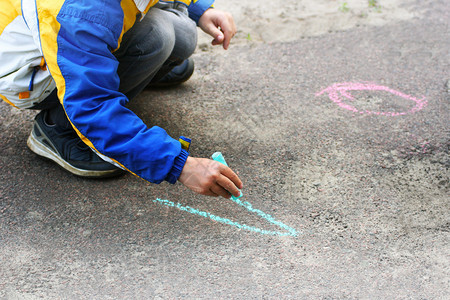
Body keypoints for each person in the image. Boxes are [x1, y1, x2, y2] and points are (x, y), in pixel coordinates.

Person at [0, 0, 242, 199]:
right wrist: (179, 165)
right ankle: (57, 128)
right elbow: (91, 105)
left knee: (182, 32)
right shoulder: (82, 11)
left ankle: (133, 68)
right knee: (157, 35)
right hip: (25, 71)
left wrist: (201, 9)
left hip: (76, 29)